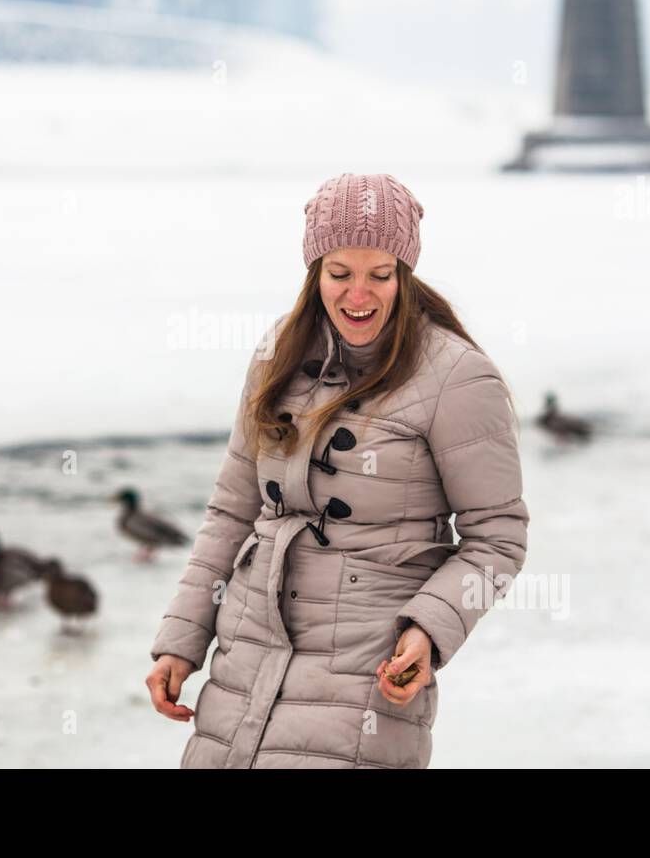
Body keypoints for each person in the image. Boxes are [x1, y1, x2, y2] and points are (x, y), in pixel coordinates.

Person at [145, 172, 530, 768]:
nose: (359, 295)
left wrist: (427, 629)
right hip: (245, 658)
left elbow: (496, 540)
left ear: (404, 272)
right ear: (314, 272)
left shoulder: (456, 377)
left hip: (366, 671)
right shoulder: (281, 352)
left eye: (380, 275)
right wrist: (182, 640)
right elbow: (231, 510)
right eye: (339, 273)